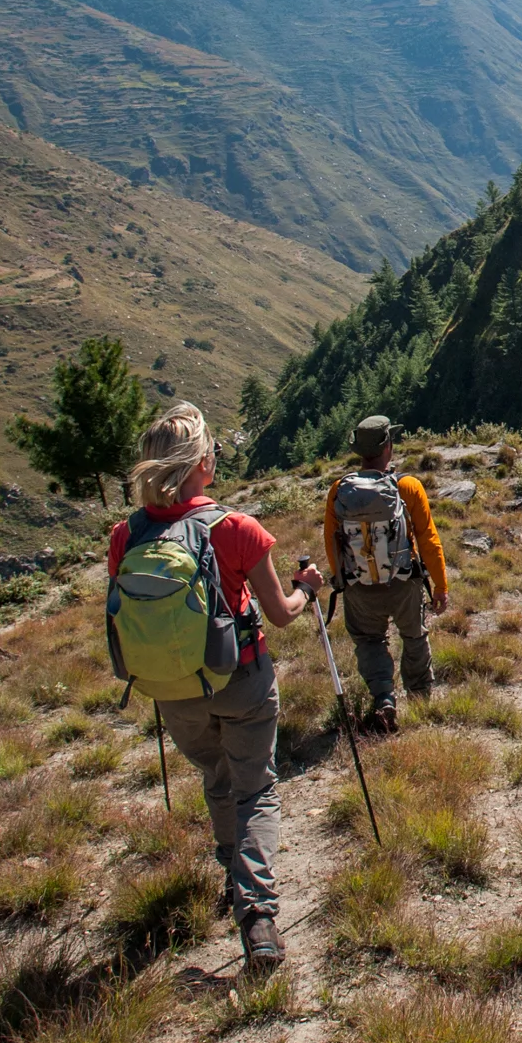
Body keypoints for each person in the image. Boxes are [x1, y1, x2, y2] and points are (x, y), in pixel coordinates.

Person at [108, 403, 321, 970]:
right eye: (213, 452)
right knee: (256, 791)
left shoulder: (125, 536)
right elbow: (281, 614)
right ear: (201, 463)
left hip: (171, 688)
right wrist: (307, 589)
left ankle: (231, 869)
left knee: (217, 777)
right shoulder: (235, 528)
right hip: (242, 678)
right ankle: (258, 916)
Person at [321, 415, 449, 735]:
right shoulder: (408, 487)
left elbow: (331, 541)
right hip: (404, 582)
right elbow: (428, 540)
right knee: (414, 636)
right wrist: (440, 586)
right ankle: (419, 697)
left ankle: (383, 699)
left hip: (359, 586)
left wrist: (341, 579)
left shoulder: (340, 490)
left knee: (369, 641)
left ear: (359, 452)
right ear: (388, 446)